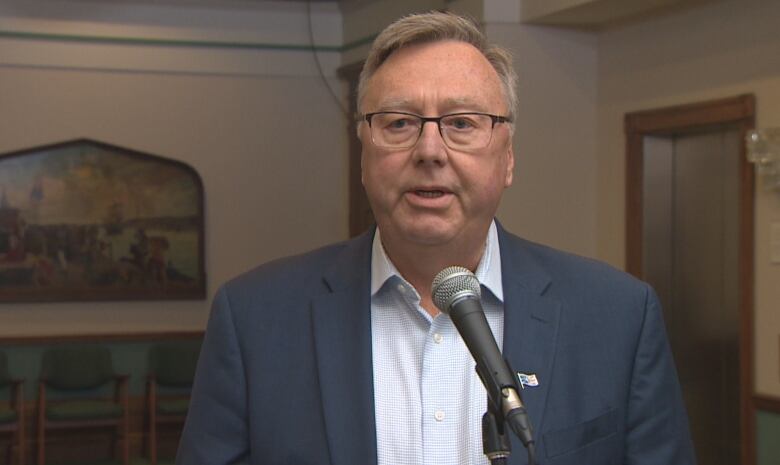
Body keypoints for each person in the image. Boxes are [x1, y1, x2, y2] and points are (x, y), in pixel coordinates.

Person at [177, 11, 695, 465]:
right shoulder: (256, 319)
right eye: (400, 123)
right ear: (364, 153)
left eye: (462, 123)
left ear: (508, 156)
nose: (429, 149)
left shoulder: (617, 316)